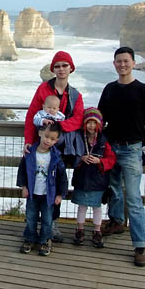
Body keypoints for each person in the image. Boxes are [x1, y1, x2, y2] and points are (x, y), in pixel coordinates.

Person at [97, 46, 145, 267]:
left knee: (133, 198)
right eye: (118, 61)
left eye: (126, 61)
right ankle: (116, 222)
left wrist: (140, 142)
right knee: (114, 189)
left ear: (134, 63)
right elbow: (99, 118)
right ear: (114, 64)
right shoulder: (109, 89)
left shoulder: (143, 90)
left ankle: (141, 245)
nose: (122, 64)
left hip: (132, 149)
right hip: (111, 148)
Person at [24, 50, 84, 242]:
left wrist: (58, 127)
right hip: (42, 145)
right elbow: (31, 115)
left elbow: (78, 119)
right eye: (57, 66)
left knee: (55, 183)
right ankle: (34, 223)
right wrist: (27, 141)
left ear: (71, 68)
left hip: (62, 147)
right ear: (53, 69)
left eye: (64, 65)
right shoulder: (43, 90)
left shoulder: (75, 95)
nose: (61, 69)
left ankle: (52, 223)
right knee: (37, 181)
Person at [16, 122, 68, 256]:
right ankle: (30, 238)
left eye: (52, 139)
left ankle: (45, 240)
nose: (48, 140)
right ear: (40, 133)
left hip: (48, 195)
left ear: (56, 140)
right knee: (31, 217)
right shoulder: (29, 153)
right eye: (46, 136)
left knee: (47, 219)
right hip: (32, 193)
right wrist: (24, 186)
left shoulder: (56, 157)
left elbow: (62, 177)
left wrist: (60, 195)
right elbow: (22, 171)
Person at [71, 107, 116, 248]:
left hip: (98, 180)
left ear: (99, 124)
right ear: (84, 123)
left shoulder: (104, 140)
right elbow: (71, 155)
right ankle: (80, 229)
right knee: (82, 206)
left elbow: (112, 159)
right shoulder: (78, 137)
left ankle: (97, 231)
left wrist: (100, 162)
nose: (92, 126)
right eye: (89, 122)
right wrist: (81, 158)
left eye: (95, 123)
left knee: (97, 207)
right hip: (82, 178)